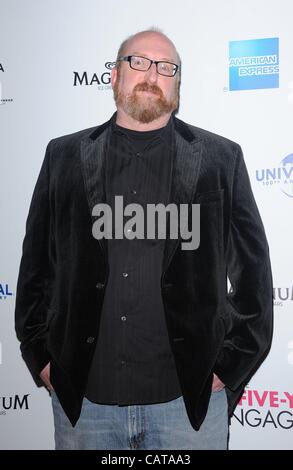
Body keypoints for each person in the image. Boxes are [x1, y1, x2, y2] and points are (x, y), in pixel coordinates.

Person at [15, 28, 273, 450]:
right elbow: (35, 272)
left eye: (166, 67)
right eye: (138, 62)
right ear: (114, 76)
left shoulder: (220, 160)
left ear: (177, 85)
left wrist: (229, 368)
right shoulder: (61, 157)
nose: (152, 74)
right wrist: (41, 359)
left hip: (187, 408)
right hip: (85, 406)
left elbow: (254, 281)